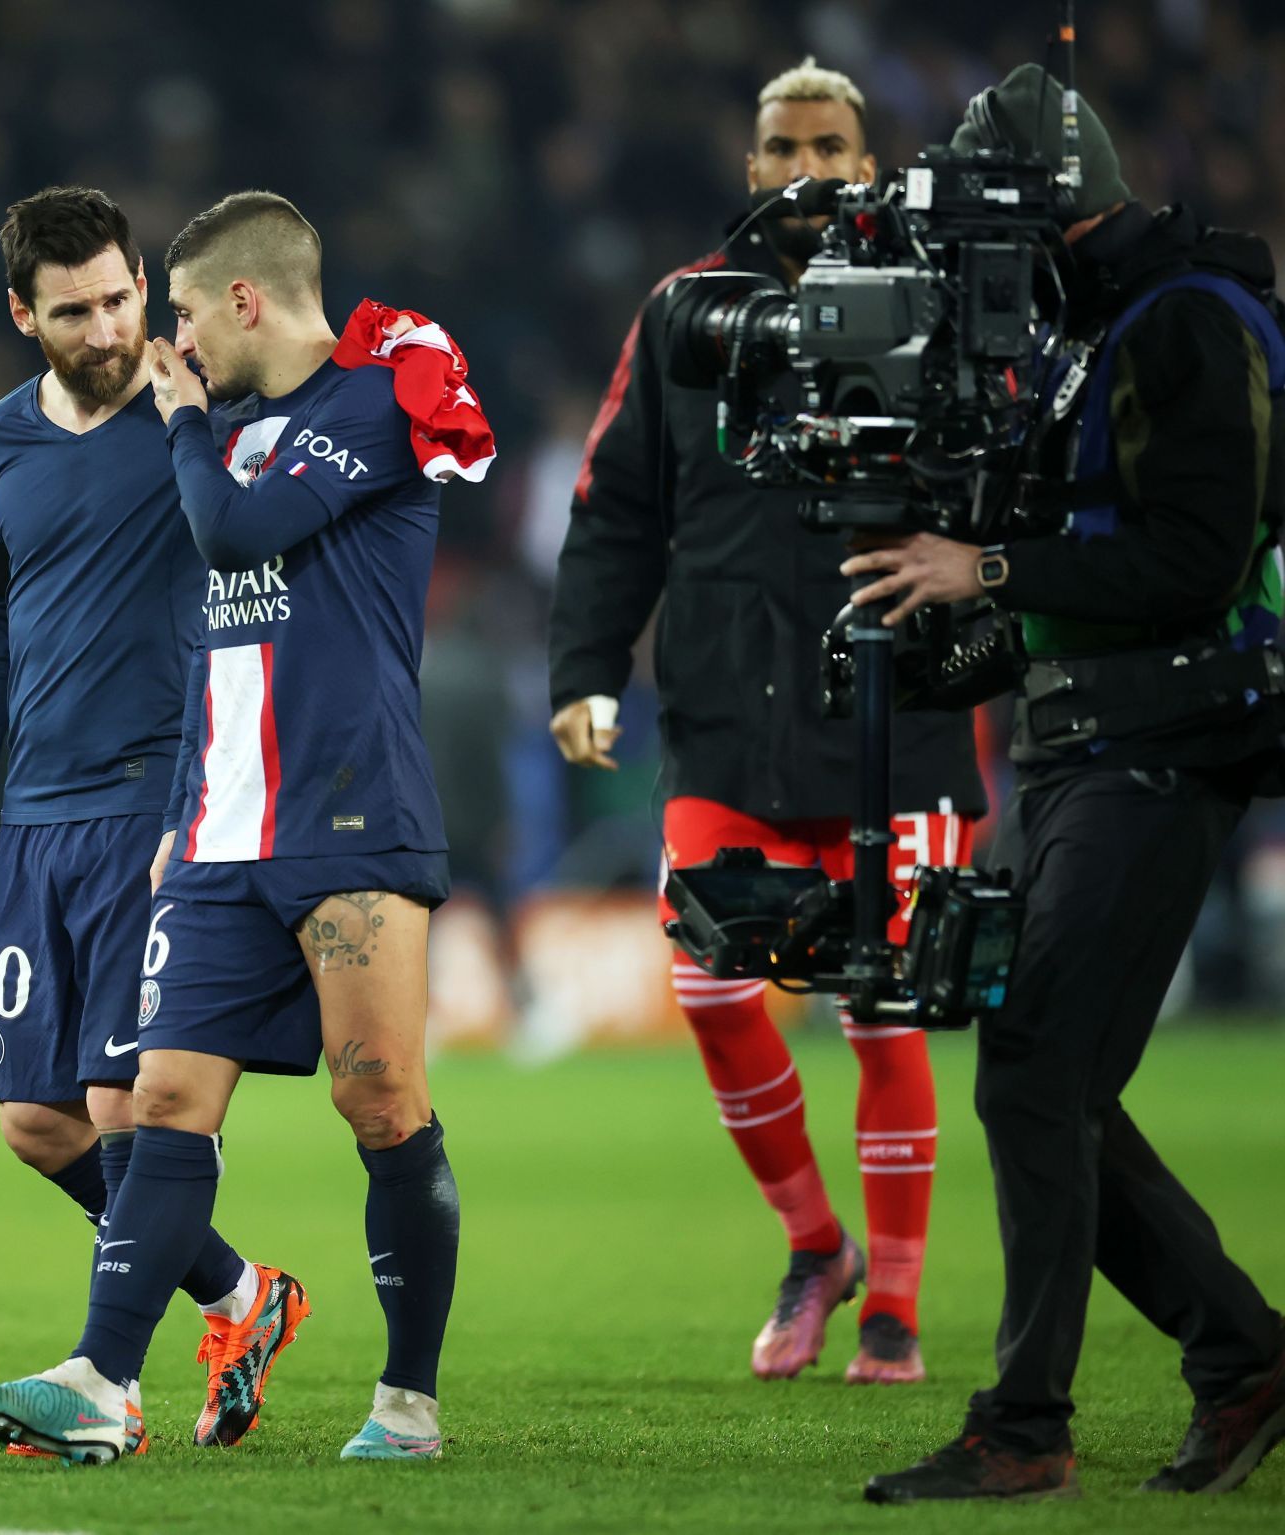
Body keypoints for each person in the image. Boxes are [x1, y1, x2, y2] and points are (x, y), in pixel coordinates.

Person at [0, 190, 494, 1464]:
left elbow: (236, 532)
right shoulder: (175, 434)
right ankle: (106, 1378)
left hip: (348, 811)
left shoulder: (364, 402)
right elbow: (163, 629)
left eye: (164, 308)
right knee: (159, 1099)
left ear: (231, 300)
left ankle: (406, 1401)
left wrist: (188, 417)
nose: (157, 339)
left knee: (383, 1101)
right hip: (209, 823)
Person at [854, 66, 1285, 1502]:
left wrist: (982, 569)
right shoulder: (1108, 332)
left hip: (1167, 741)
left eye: (984, 228)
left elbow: (1192, 562)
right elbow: (1079, 586)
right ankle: (1241, 1356)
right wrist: (938, 645)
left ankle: (1029, 1424)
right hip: (1094, 739)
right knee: (1057, 1084)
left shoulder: (1188, 323)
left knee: (1039, 1070)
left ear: (1044, 213)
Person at [548, 58, 986, 1386]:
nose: (806, 169)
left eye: (832, 145)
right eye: (782, 146)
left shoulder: (940, 310)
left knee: (884, 1010)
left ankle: (894, 1305)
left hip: (898, 720)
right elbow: (616, 507)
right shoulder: (686, 316)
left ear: (871, 162)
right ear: (749, 168)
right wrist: (585, 667)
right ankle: (816, 1243)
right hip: (728, 725)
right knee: (712, 987)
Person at [0, 186, 304, 1458]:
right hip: (35, 813)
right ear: (24, 313)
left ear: (146, 282)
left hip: (162, 801)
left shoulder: (203, 416)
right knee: (39, 1123)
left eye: (120, 297)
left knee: (134, 1100)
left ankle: (109, 1387)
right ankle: (244, 1295)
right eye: (74, 309)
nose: (106, 328)